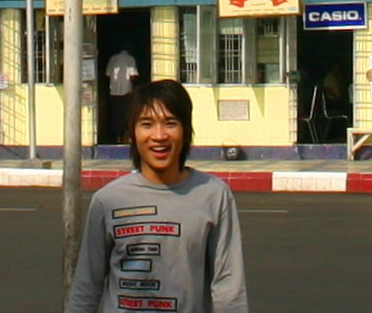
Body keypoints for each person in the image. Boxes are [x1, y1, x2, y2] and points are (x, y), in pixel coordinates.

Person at [66, 79, 248, 313]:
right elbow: (86, 288)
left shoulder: (214, 195)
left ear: (185, 130)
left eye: (170, 123)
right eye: (147, 124)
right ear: (132, 133)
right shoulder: (107, 200)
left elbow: (228, 288)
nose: (159, 135)